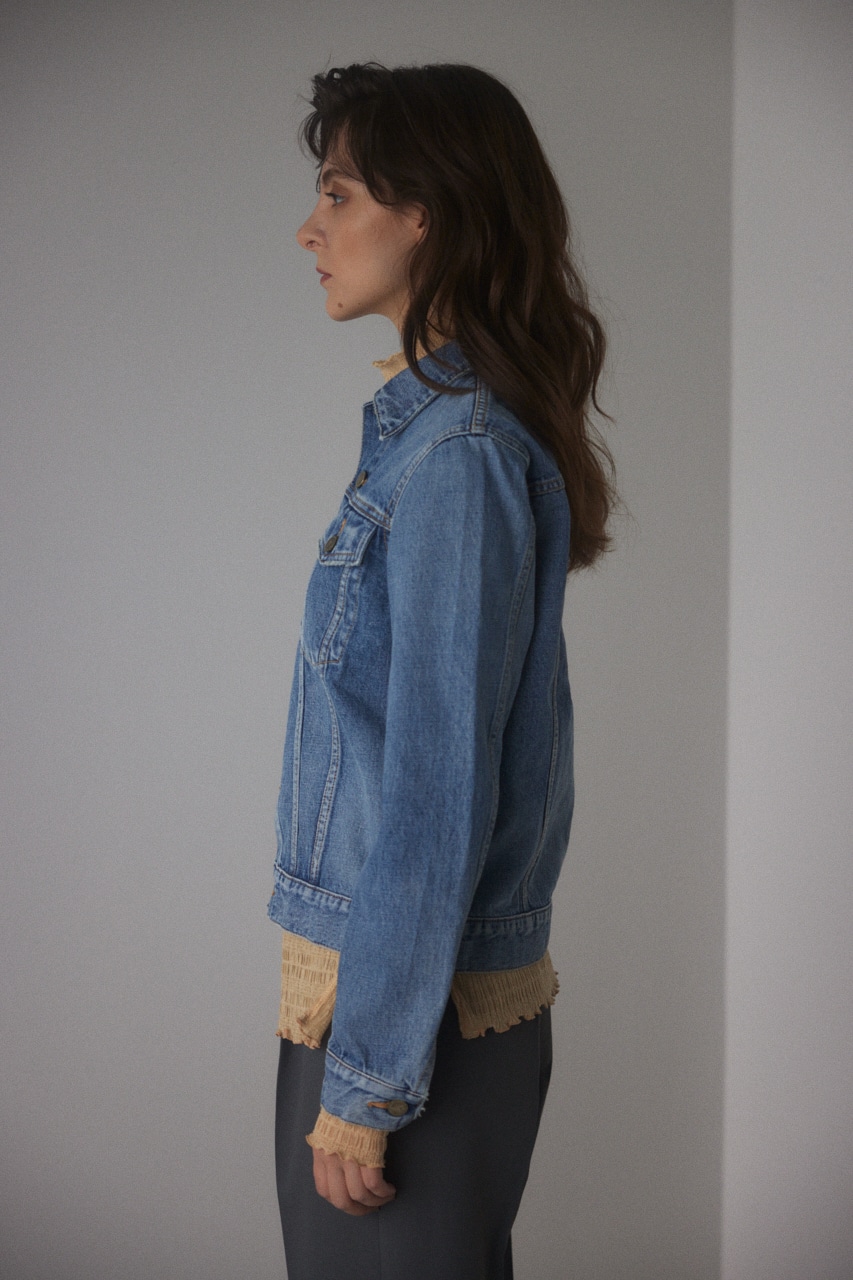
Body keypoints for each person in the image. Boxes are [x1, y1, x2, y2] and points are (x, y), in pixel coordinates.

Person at [268, 62, 614, 1280]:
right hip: (394, 1001)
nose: (309, 229)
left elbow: (434, 795)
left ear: (428, 212)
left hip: (406, 1022)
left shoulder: (455, 458)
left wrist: (367, 1080)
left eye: (338, 193)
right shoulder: (432, 439)